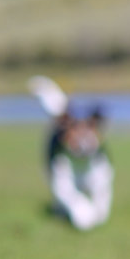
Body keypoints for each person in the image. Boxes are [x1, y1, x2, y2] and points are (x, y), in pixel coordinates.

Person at [29, 76, 114, 230]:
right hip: (65, 164)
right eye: (76, 133)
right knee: (67, 198)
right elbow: (63, 188)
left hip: (91, 167)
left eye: (88, 131)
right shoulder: (59, 154)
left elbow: (103, 185)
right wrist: (81, 210)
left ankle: (81, 211)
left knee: (100, 208)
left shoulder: (101, 158)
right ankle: (66, 210)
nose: (82, 141)